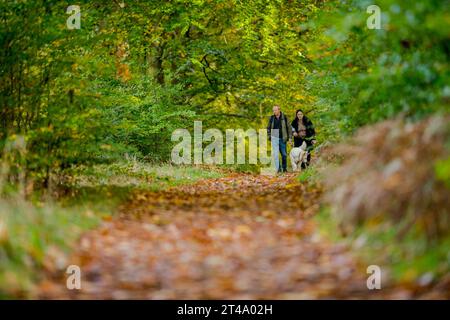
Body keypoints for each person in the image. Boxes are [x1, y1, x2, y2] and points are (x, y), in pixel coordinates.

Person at [267, 105, 292, 173]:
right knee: (275, 155)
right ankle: (278, 169)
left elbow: (289, 128)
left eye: (275, 110)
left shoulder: (285, 117)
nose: (274, 111)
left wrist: (290, 138)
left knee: (284, 154)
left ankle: (284, 168)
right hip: (274, 136)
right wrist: (269, 136)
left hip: (282, 137)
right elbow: (268, 128)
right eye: (273, 110)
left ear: (279, 110)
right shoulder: (271, 118)